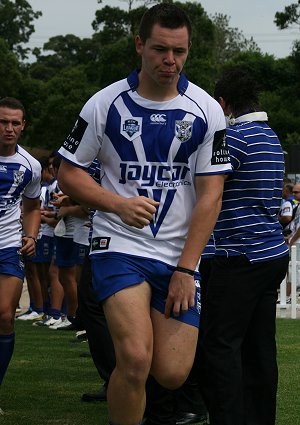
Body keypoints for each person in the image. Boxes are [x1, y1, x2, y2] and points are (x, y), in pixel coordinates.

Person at [57, 4, 232, 425]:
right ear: (140, 45)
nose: (169, 61)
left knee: (172, 373)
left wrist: (186, 270)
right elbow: (67, 173)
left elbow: (211, 197)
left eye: (179, 52)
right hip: (119, 245)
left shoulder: (206, 110)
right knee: (135, 359)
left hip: (178, 256)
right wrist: (116, 204)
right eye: (159, 50)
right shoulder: (104, 104)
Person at [198, 69, 290, 425]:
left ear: (223, 103)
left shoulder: (233, 137)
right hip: (269, 253)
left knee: (219, 347)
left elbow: (206, 190)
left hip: (236, 255)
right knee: (259, 348)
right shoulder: (270, 136)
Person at [0, 97, 41, 396]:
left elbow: (32, 206)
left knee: (4, 315)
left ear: (23, 126)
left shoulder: (31, 165)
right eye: (3, 122)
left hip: (8, 246)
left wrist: (31, 235)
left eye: (15, 123)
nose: (9, 128)